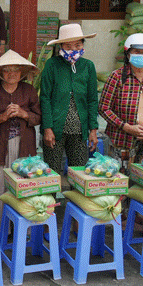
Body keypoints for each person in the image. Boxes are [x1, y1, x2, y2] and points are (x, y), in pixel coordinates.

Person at [99, 33, 143, 173]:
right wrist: (126, 127)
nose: (142, 55)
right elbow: (103, 108)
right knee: (119, 179)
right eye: (137, 52)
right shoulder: (117, 77)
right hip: (122, 141)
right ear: (128, 54)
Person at [0, 49, 41, 218]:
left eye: (15, 70)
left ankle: (21, 227)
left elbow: (38, 117)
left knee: (22, 184)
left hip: (24, 145)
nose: (11, 74)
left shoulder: (28, 90)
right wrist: (2, 117)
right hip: (0, 144)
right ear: (0, 73)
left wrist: (24, 114)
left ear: (21, 72)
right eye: (7, 70)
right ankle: (1, 229)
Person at [39, 24, 99, 177]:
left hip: (79, 131)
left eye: (77, 45)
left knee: (79, 174)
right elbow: (44, 97)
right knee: (52, 174)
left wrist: (93, 130)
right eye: (68, 45)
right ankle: (52, 201)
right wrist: (47, 128)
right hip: (55, 130)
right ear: (61, 46)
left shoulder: (88, 66)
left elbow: (92, 100)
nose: (73, 49)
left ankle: (76, 201)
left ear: (82, 45)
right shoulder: (52, 65)